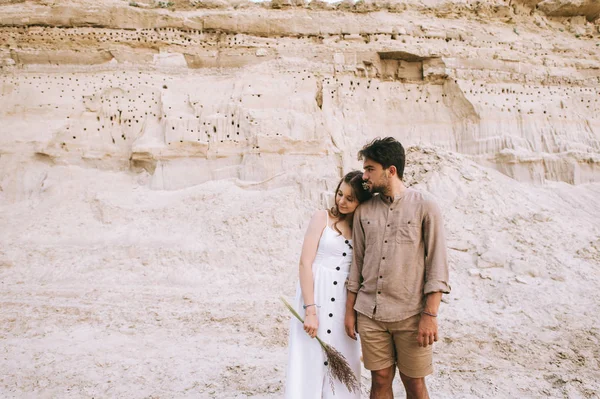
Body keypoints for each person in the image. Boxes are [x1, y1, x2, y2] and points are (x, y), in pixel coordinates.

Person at [344, 137, 451, 399]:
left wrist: (430, 315)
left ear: (391, 170)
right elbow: (357, 263)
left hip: (412, 316)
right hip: (370, 314)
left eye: (370, 169)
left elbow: (437, 264)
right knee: (379, 380)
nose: (365, 175)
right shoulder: (364, 211)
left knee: (414, 383)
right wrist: (350, 312)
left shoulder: (426, 205)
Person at [285, 170, 372, 399]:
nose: (341, 201)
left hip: (345, 301)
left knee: (344, 358)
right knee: (310, 358)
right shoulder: (321, 218)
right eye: (340, 194)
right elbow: (305, 263)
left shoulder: (362, 228)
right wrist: (310, 310)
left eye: (350, 198)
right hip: (316, 295)